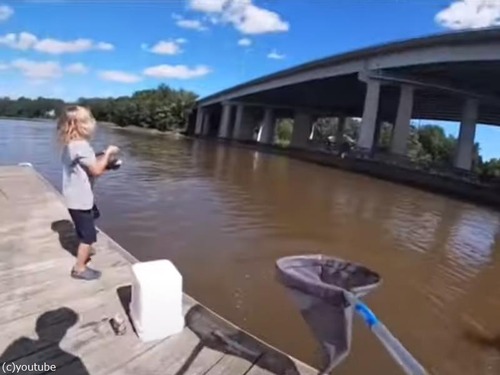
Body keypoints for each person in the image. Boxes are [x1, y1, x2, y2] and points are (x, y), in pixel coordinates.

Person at [57, 105, 119, 280]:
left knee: (92, 216)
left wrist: (106, 164)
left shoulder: (70, 145)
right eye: (90, 120)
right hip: (81, 199)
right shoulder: (81, 146)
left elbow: (88, 168)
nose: (93, 123)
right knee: (89, 235)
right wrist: (108, 153)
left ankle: (84, 240)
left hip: (73, 197)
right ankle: (80, 268)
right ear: (80, 125)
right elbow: (96, 171)